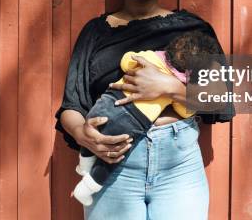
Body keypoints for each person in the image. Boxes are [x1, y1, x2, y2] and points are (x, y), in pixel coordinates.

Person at [54, 0, 234, 220]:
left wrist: (168, 88)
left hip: (178, 168)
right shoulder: (96, 33)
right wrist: (84, 136)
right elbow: (71, 107)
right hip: (112, 167)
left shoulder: (192, 30)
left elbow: (221, 97)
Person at [72, 30, 222, 206]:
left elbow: (127, 60)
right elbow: (185, 111)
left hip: (109, 104)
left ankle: (84, 166)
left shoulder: (151, 58)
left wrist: (170, 86)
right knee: (111, 159)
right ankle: (88, 187)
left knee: (102, 138)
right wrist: (176, 89)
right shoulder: (182, 79)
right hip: (132, 125)